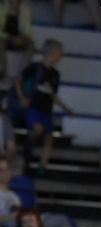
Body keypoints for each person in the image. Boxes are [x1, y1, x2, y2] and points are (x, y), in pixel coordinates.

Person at [16, 39, 73, 175]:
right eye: (59, 53)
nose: (60, 56)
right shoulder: (35, 67)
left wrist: (65, 108)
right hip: (34, 107)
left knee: (49, 138)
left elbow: (53, 94)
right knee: (38, 129)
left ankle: (42, 166)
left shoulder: (55, 74)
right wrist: (22, 97)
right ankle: (26, 152)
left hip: (46, 110)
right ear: (52, 53)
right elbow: (18, 79)